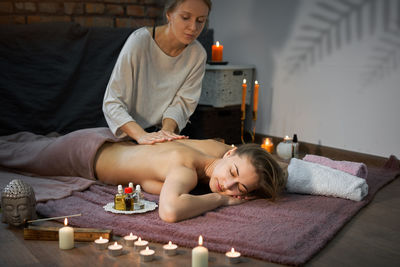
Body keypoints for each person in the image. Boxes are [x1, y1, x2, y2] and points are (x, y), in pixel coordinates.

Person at [0, 128, 287, 223]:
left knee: (23, 146)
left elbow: (271, 168)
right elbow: (170, 211)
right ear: (230, 154)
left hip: (106, 141)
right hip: (82, 156)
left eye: (240, 189)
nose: (228, 184)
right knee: (12, 155)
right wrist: (221, 201)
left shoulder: (215, 149)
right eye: (233, 173)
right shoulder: (185, 172)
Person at [103, 0, 211, 145]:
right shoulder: (139, 41)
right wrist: (141, 136)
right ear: (169, 15)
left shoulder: (198, 55)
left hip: (164, 133)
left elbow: (182, 104)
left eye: (200, 20)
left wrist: (165, 133)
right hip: (129, 133)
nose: (193, 27)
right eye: (185, 17)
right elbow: (112, 103)